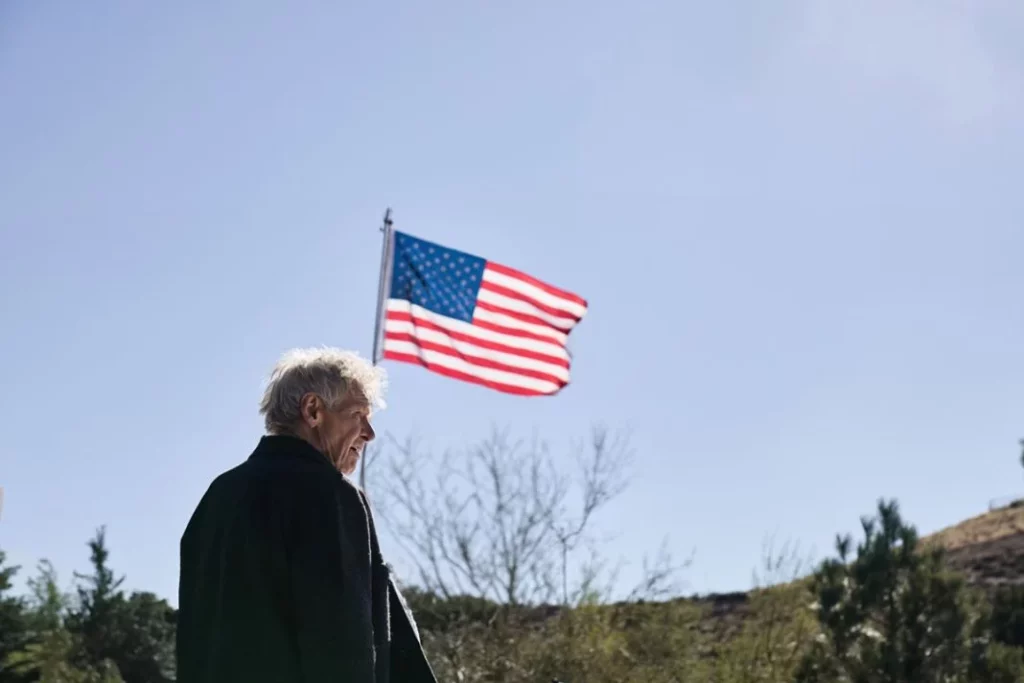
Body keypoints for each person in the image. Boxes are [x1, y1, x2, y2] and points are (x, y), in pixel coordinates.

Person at [176, 347, 436, 683]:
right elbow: (341, 648)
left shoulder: (217, 496)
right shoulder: (329, 494)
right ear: (313, 410)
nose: (370, 433)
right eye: (358, 414)